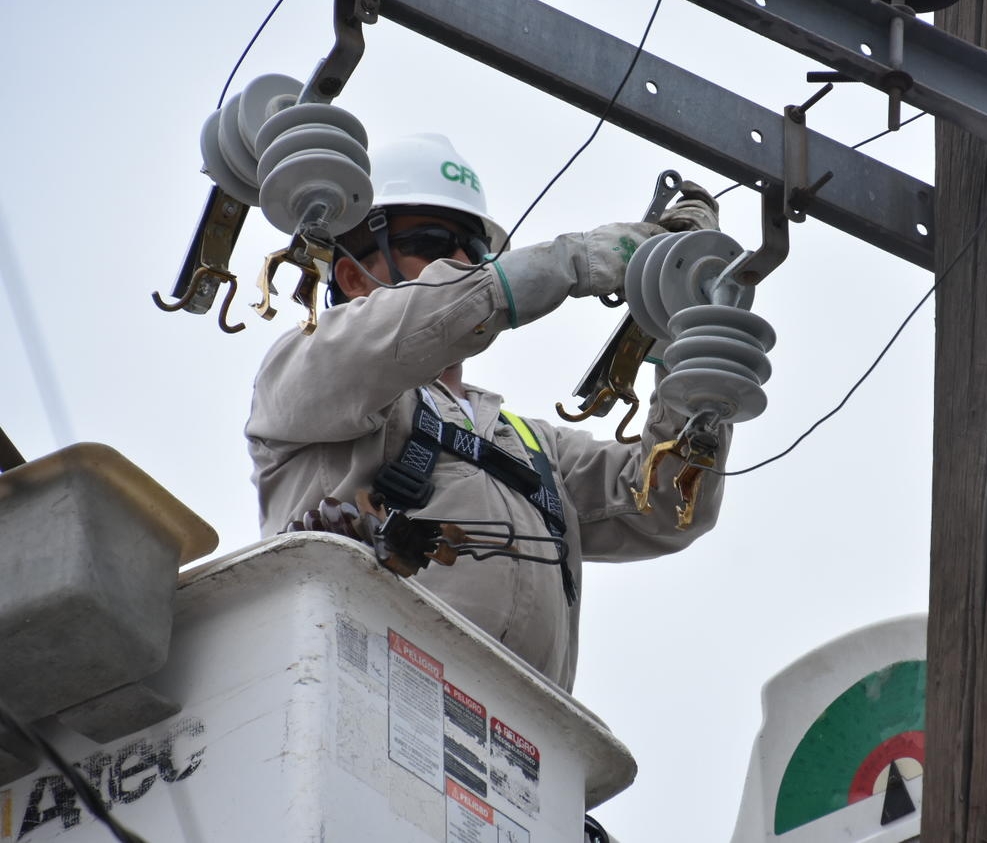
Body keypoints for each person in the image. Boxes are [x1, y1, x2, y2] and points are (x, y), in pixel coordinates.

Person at [245, 133, 728, 691]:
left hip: (519, 752)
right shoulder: (302, 371)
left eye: (475, 252)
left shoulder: (530, 445)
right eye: (431, 242)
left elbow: (669, 503)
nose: (460, 262)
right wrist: (578, 260)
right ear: (353, 275)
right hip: (355, 702)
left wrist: (691, 353)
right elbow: (406, 330)